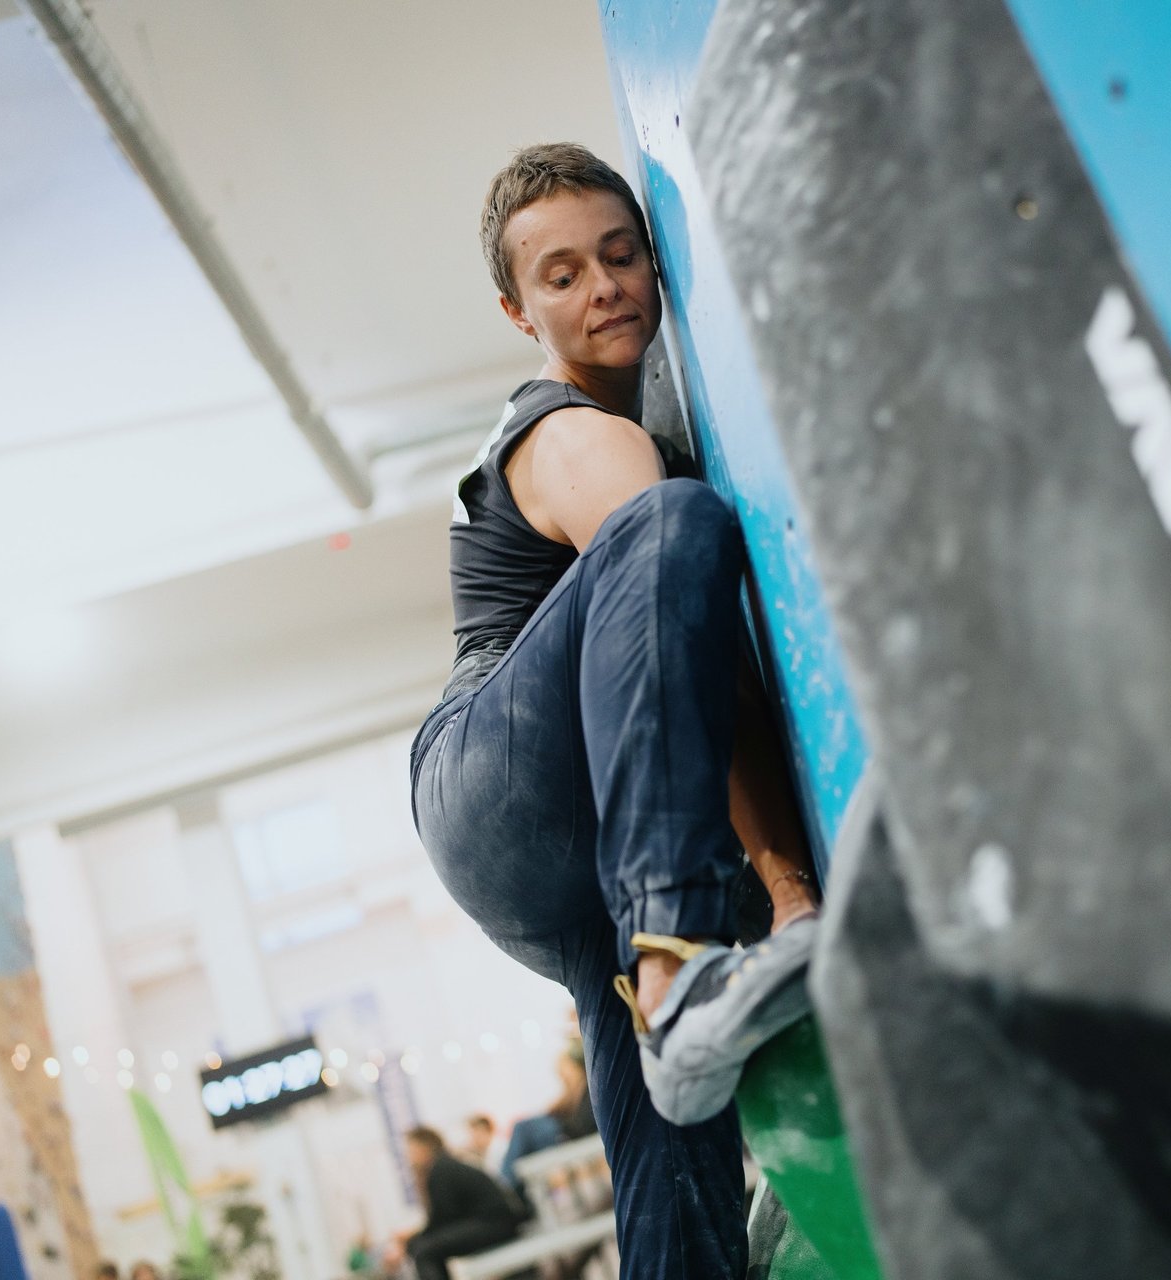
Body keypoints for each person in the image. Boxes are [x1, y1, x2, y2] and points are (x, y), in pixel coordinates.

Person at [408, 143, 823, 1280]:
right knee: (676, 526)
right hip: (497, 778)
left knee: (671, 1144)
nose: (601, 287)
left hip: (583, 858)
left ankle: (668, 976)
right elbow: (696, 667)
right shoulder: (573, 435)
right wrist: (783, 894)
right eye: (559, 274)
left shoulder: (650, 429)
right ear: (518, 309)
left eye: (619, 253)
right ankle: (676, 957)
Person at [388, 1127, 525, 1280]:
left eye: (411, 1150)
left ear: (424, 1148)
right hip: (494, 1221)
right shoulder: (446, 1165)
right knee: (421, 1246)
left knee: (424, 1250)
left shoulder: (441, 1170)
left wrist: (413, 1236)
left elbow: (443, 1218)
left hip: (496, 1223)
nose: (409, 1157)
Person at [499, 1037, 598, 1194]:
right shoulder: (573, 1094)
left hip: (565, 1135)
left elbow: (583, 1125)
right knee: (524, 1133)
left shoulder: (587, 1088)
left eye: (565, 1067)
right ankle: (509, 1187)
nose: (561, 1073)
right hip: (563, 1133)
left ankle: (504, 1188)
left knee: (522, 1129)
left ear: (576, 1066)